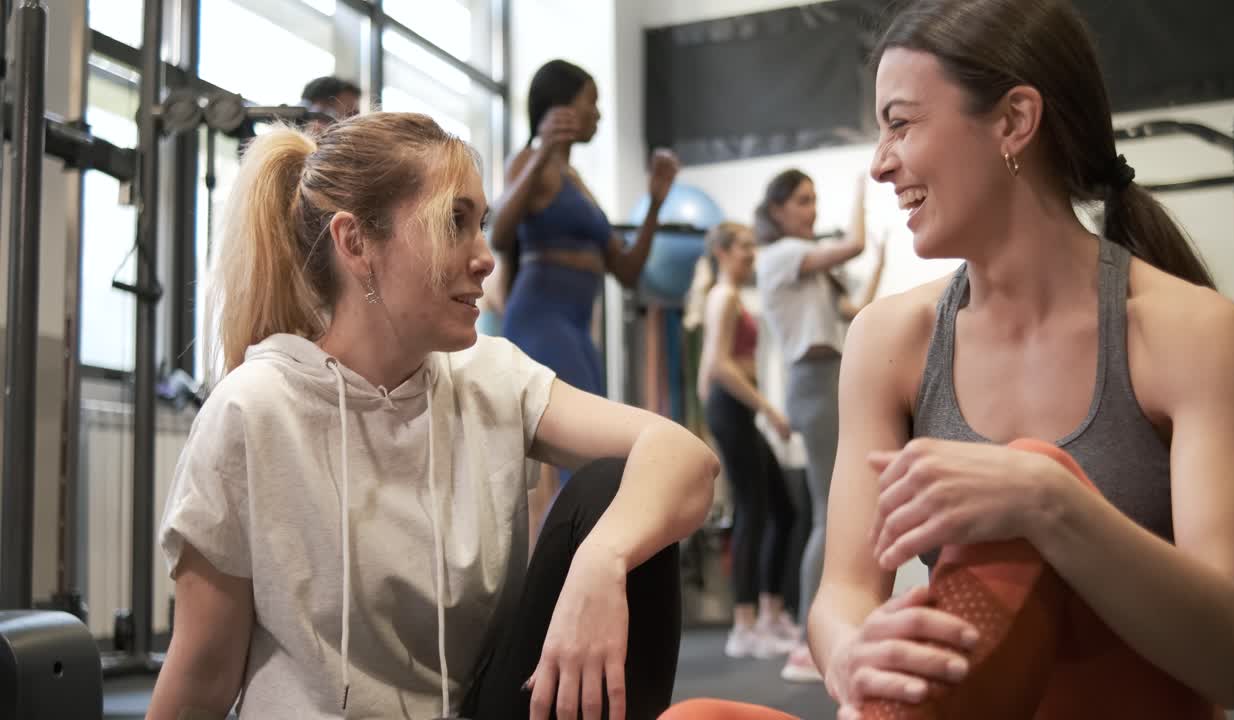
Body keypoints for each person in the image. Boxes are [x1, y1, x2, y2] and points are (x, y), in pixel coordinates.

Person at [146, 112, 719, 720]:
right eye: (455, 223)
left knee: (616, 495)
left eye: (481, 225)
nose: (486, 258)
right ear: (356, 242)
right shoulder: (253, 408)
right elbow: (203, 675)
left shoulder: (490, 376)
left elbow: (684, 457)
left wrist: (601, 561)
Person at [809, 0, 1234, 717]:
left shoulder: (1190, 334)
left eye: (900, 123)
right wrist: (852, 655)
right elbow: (843, 591)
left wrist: (1050, 501)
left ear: (1013, 122)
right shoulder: (887, 340)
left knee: (1041, 471)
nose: (879, 163)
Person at [490, 59, 680, 522]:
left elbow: (628, 270)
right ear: (561, 108)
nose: (598, 114)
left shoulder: (577, 182)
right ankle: (568, 572)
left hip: (576, 326)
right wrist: (540, 150)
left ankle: (573, 568)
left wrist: (656, 200)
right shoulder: (530, 163)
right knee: (592, 459)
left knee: (598, 459)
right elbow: (498, 234)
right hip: (541, 319)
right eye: (591, 102)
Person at [753, 171, 885, 682]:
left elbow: (856, 309)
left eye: (816, 200)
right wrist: (858, 197)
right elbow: (849, 244)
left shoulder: (811, 272)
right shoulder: (780, 255)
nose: (811, 210)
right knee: (831, 512)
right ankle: (810, 646)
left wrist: (881, 259)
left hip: (831, 377)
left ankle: (830, 629)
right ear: (780, 208)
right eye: (804, 201)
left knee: (840, 508)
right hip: (812, 382)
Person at [686, 222, 800, 659]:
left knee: (782, 509)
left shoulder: (726, 296)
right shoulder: (724, 296)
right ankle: (745, 625)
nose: (752, 254)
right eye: (745, 247)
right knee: (754, 511)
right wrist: (769, 409)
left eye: (755, 246)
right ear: (722, 250)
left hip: (732, 409)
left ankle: (768, 614)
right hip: (733, 407)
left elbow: (707, 371)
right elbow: (718, 364)